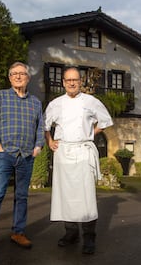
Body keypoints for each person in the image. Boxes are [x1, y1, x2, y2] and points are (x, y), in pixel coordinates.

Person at [0, 62, 44, 261]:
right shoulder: (0, 96)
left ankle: (18, 232)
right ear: (9, 77)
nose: (18, 77)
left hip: (26, 156)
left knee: (21, 196)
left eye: (22, 73)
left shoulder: (36, 102)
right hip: (4, 155)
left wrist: (38, 147)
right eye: (14, 74)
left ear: (28, 78)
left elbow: (41, 127)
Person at [44, 67, 113, 254]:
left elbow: (105, 121)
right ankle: (71, 233)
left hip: (83, 151)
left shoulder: (92, 101)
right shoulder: (55, 103)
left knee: (86, 196)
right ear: (63, 82)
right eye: (68, 80)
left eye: (75, 80)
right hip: (63, 152)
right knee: (66, 196)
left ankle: (89, 237)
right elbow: (45, 125)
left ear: (80, 81)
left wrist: (90, 133)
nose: (71, 83)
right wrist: (50, 141)